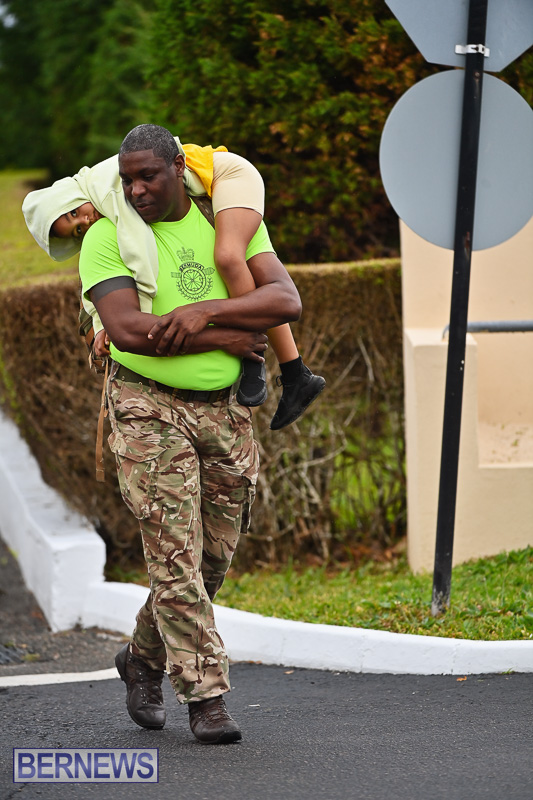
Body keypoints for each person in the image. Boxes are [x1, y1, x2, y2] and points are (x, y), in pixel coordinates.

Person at [78, 123, 302, 744]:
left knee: (210, 561)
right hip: (146, 408)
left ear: (181, 168)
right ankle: (206, 697)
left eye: (149, 175)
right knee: (174, 555)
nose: (138, 189)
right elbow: (126, 328)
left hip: (226, 410)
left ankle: (142, 660)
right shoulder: (107, 236)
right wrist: (229, 335)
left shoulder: (229, 223)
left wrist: (200, 312)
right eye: (127, 179)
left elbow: (284, 301)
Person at [22, 139, 325, 429]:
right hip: (151, 412)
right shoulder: (105, 224)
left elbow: (137, 249)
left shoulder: (109, 189)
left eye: (75, 213)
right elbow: (120, 318)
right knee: (231, 258)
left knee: (229, 257)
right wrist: (102, 322)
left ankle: (275, 366)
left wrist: (202, 314)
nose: (84, 223)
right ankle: (295, 374)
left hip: (231, 174)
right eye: (76, 232)